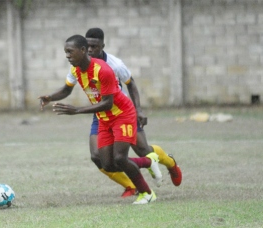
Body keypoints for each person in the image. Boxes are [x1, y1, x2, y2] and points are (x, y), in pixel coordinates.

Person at [39, 34, 160, 204]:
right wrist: (50, 97)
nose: (67, 56)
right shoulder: (75, 70)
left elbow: (108, 103)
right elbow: (67, 89)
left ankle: (147, 193)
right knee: (107, 164)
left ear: (83, 50)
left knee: (120, 158)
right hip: (104, 118)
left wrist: (77, 110)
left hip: (122, 115)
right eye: (65, 52)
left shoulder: (103, 70)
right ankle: (149, 161)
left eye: (70, 52)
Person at [83, 28, 182, 197]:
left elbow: (131, 84)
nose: (90, 50)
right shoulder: (80, 62)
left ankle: (170, 163)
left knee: (142, 149)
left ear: (102, 46)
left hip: (122, 111)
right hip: (101, 113)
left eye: (94, 46)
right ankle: (131, 186)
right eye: (88, 46)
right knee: (97, 156)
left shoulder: (115, 64)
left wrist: (139, 110)